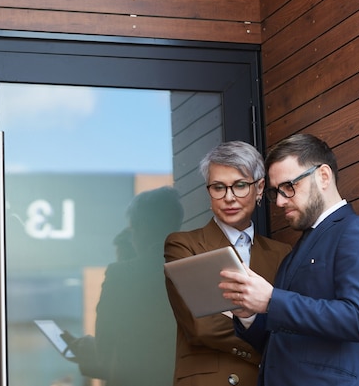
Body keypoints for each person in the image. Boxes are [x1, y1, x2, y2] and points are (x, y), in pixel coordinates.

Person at [218, 133, 359, 386]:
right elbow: (279, 342)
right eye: (275, 192)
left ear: (323, 176)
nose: (279, 201)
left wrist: (270, 300)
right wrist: (248, 314)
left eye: (289, 187)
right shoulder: (294, 253)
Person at [164, 141, 291, 386]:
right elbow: (202, 326)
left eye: (240, 185)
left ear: (260, 187)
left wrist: (234, 313)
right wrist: (272, 345)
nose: (229, 198)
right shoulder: (184, 246)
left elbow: (290, 326)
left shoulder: (282, 253)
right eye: (218, 187)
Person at [67, 186, 184, 386]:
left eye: (133, 229)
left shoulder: (120, 275)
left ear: (142, 228)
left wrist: (86, 348)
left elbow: (106, 349)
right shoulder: (195, 270)